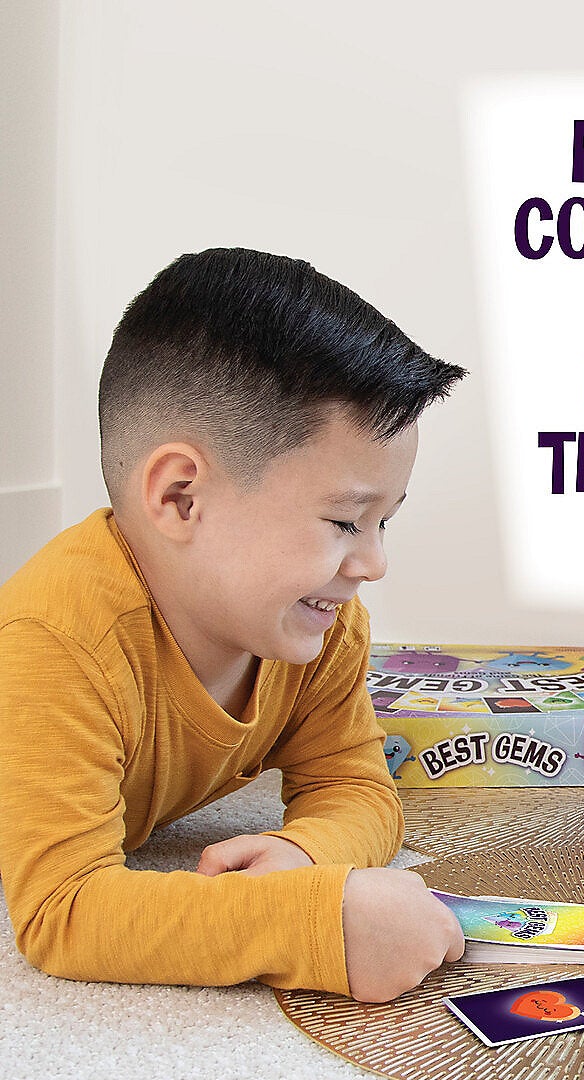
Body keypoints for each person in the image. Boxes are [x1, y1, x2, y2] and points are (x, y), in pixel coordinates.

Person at [0, 247, 468, 1001]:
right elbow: (64, 911)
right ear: (181, 498)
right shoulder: (55, 641)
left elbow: (355, 785)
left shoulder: (317, 624)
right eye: (345, 521)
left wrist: (304, 853)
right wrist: (310, 923)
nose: (373, 563)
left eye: (384, 522)